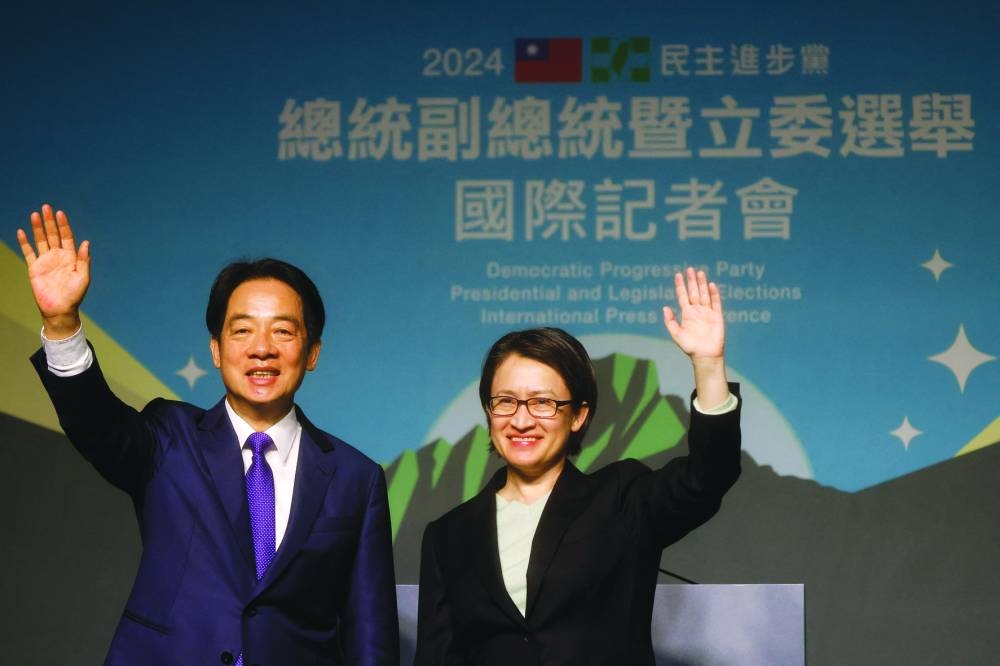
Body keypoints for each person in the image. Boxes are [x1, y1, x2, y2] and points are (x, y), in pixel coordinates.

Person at [17, 204, 400, 665]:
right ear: (216, 350)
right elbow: (97, 425)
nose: (262, 348)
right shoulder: (169, 437)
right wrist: (62, 325)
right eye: (242, 330)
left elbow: (370, 633)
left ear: (312, 351)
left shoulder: (355, 478)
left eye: (283, 330)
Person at [414, 268, 741, 666]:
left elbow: (707, 476)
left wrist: (709, 365)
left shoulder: (621, 499)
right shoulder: (448, 535)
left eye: (543, 402)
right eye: (505, 401)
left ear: (578, 415)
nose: (521, 420)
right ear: (488, 410)